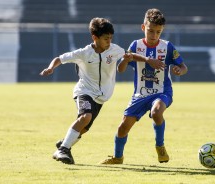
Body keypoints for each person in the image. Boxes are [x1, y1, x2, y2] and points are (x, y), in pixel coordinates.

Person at [40, 17, 165, 165]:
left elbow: (129, 55)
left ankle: (64, 143)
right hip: (84, 91)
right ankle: (63, 149)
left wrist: (148, 60)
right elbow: (60, 58)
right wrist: (50, 67)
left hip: (100, 98)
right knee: (85, 117)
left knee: (84, 128)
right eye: (106, 39)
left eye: (111, 38)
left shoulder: (114, 49)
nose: (109, 42)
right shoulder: (84, 53)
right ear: (95, 37)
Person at [100, 8, 188, 164]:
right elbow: (120, 69)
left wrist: (179, 70)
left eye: (158, 32)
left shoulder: (168, 47)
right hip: (140, 94)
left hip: (162, 92)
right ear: (143, 27)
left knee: (156, 112)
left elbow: (183, 67)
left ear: (162, 31)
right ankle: (117, 157)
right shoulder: (136, 45)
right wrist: (126, 60)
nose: (154, 36)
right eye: (151, 31)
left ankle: (160, 147)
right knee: (123, 128)